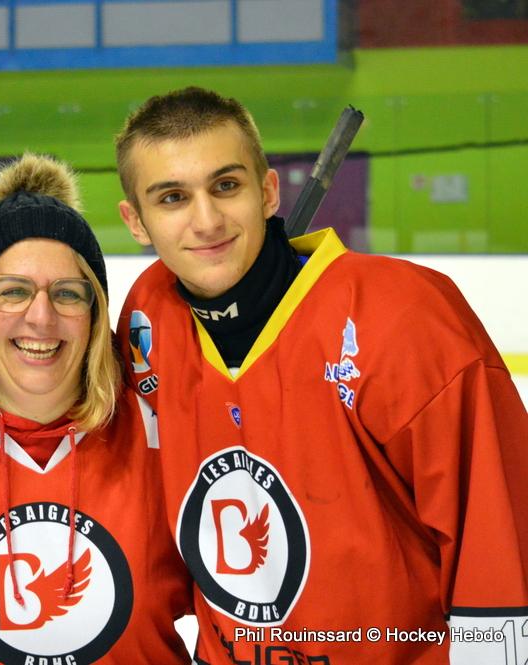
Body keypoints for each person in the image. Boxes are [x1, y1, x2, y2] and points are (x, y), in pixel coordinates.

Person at [113, 86, 528, 664]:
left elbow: (496, 535)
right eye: (173, 197)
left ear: (267, 192)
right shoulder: (149, 315)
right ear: (136, 222)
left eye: (226, 186)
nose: (206, 221)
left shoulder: (402, 316)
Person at [0, 153, 192, 663]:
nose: (41, 318)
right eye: (13, 291)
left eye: (67, 294)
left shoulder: (156, 437)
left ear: (95, 315)